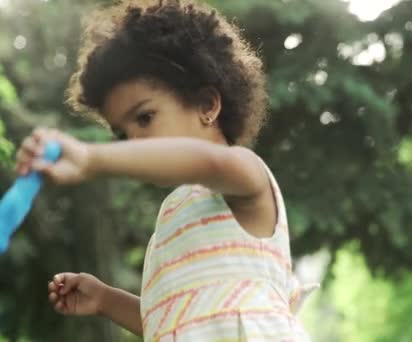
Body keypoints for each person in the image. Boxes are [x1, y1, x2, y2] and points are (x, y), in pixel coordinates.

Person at [14, 0, 317, 340]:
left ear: (207, 105)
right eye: (123, 134)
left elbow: (206, 161)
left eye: (145, 117)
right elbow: (174, 322)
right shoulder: (172, 214)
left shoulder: (243, 173)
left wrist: (93, 158)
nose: (133, 142)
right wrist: (105, 299)